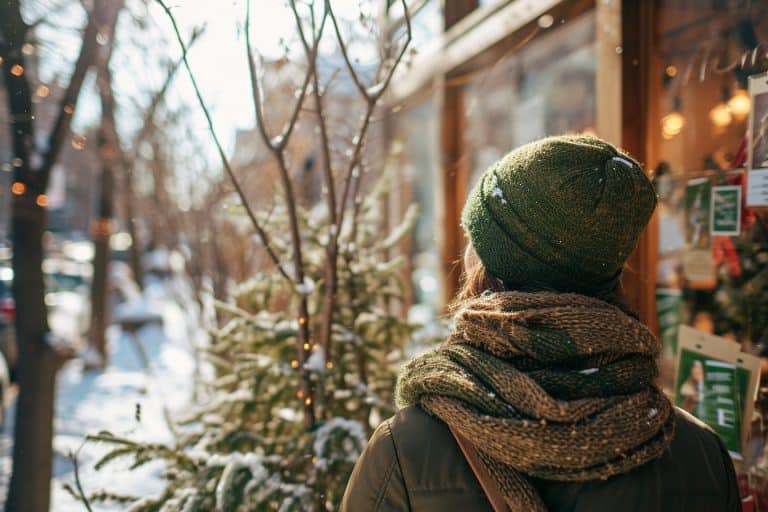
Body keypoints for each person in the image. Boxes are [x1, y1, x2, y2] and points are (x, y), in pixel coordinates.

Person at [340, 135, 741, 511]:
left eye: (476, 243)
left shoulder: (409, 449)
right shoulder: (699, 454)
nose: (465, 255)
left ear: (492, 269)